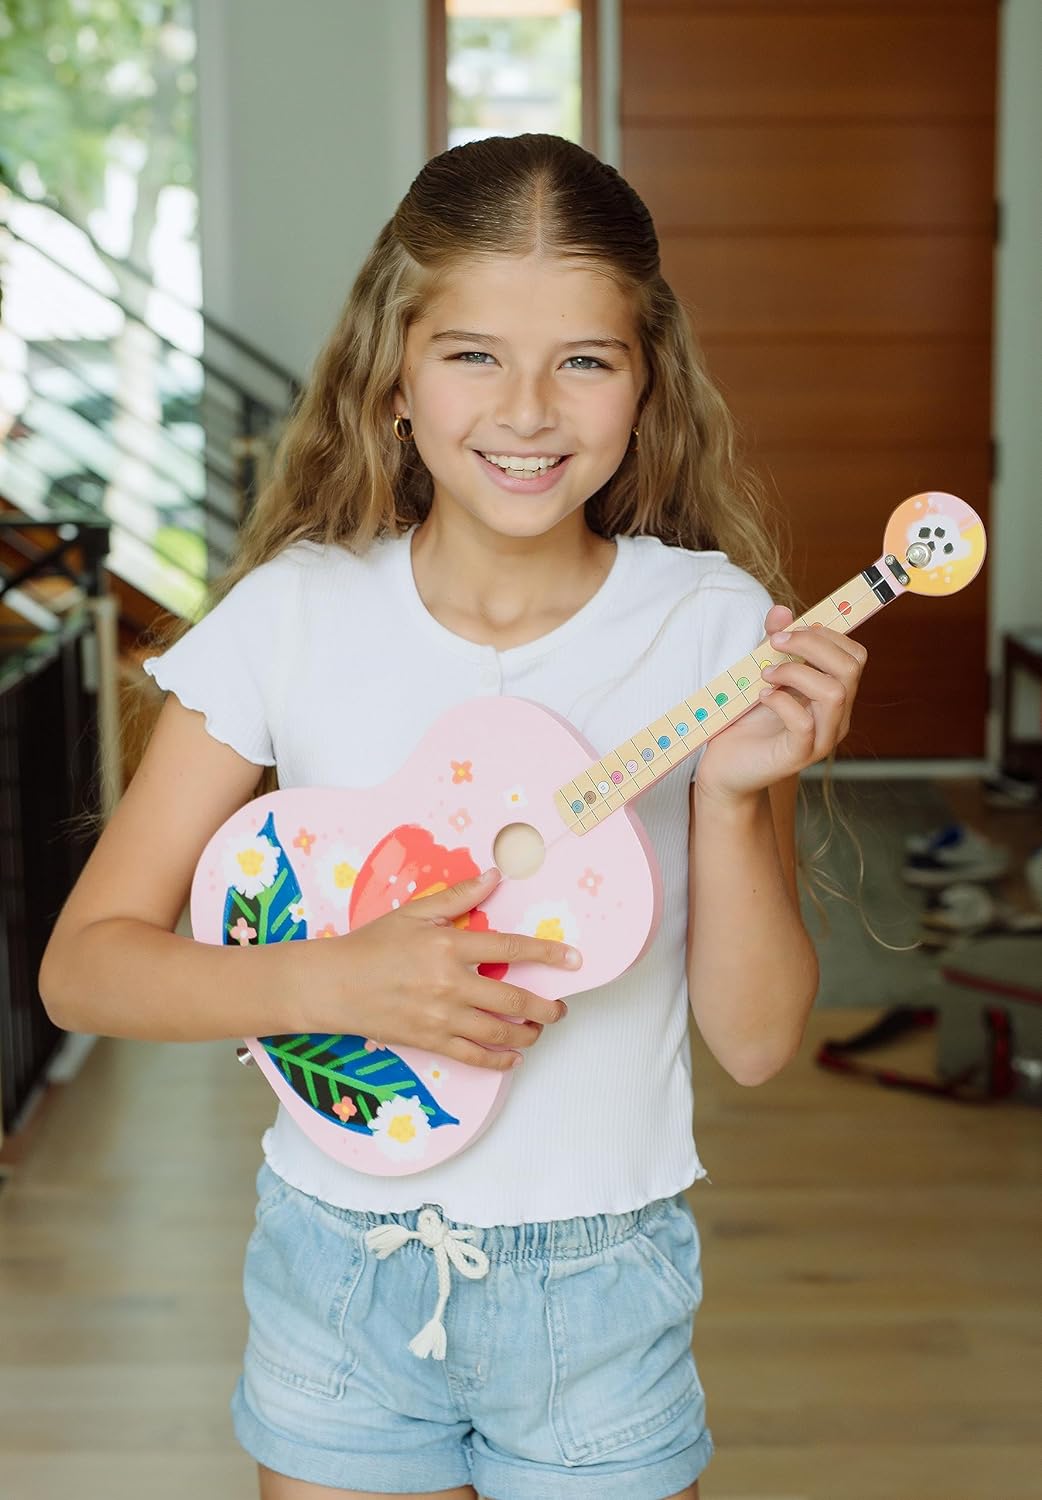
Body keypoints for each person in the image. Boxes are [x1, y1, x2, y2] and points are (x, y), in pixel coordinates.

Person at [39, 134, 866, 1500]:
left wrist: (728, 800)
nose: (528, 410)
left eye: (583, 361)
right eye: (473, 353)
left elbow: (760, 1041)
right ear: (394, 376)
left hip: (601, 1288)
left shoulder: (714, 629)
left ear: (646, 380)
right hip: (332, 1276)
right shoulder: (292, 617)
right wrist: (339, 981)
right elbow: (83, 968)